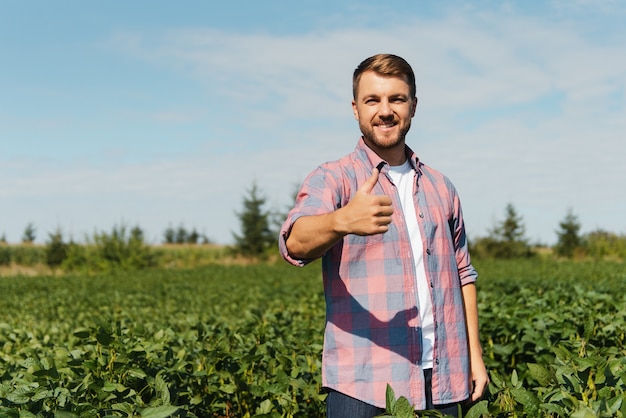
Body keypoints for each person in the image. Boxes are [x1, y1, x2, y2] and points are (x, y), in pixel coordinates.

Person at [278, 53, 488, 417]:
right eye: (373, 100)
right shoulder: (334, 178)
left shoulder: (441, 187)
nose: (385, 110)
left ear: (414, 106)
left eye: (397, 99)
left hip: (444, 378)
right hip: (363, 384)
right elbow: (293, 243)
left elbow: (463, 274)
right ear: (355, 108)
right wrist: (342, 220)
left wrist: (475, 358)